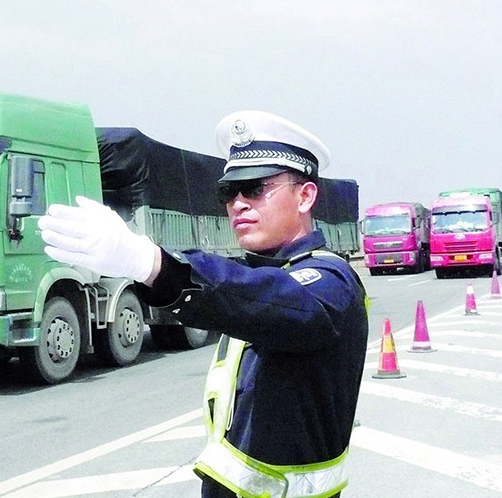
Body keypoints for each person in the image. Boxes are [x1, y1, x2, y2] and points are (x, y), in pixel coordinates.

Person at [38, 111, 368, 498]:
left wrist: (152, 263)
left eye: (256, 187)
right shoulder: (254, 275)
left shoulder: (331, 283)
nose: (239, 203)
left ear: (306, 195)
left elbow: (273, 300)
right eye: (230, 192)